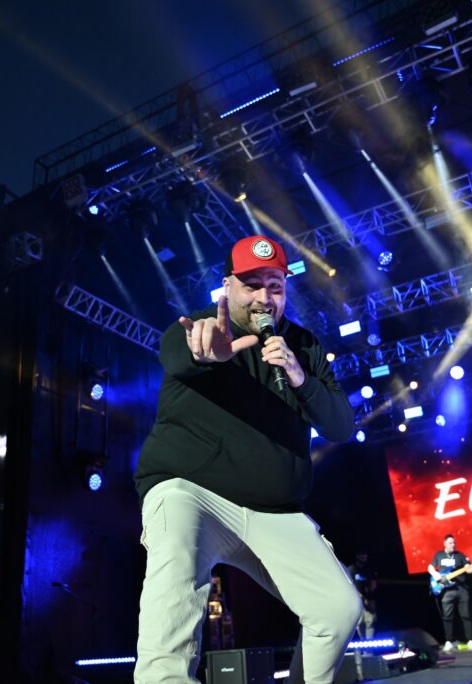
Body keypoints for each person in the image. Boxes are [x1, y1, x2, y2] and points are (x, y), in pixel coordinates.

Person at [133, 235, 359, 684]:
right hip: (195, 494)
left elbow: (341, 427)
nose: (264, 298)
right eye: (252, 285)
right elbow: (178, 354)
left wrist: (300, 378)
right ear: (228, 286)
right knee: (175, 556)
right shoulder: (201, 326)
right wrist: (206, 354)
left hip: (274, 511)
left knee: (338, 610)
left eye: (274, 286)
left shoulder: (304, 348)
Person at [427, 534, 472, 652]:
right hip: (446, 590)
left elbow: (468, 569)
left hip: (461, 589)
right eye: (450, 543)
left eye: (454, 543)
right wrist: (436, 575)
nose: (453, 545)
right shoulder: (439, 555)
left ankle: (470, 640)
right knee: (447, 617)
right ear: (445, 543)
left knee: (466, 615)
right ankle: (448, 641)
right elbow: (430, 567)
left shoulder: (460, 556)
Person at [346, 550, 378, 639]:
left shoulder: (370, 569)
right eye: (361, 554)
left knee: (370, 622)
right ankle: (363, 644)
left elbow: (374, 583)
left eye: (365, 554)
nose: (363, 556)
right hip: (356, 601)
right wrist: (361, 597)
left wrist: (369, 595)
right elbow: (350, 585)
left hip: (369, 600)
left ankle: (369, 647)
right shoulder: (351, 569)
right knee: (359, 623)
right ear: (357, 556)